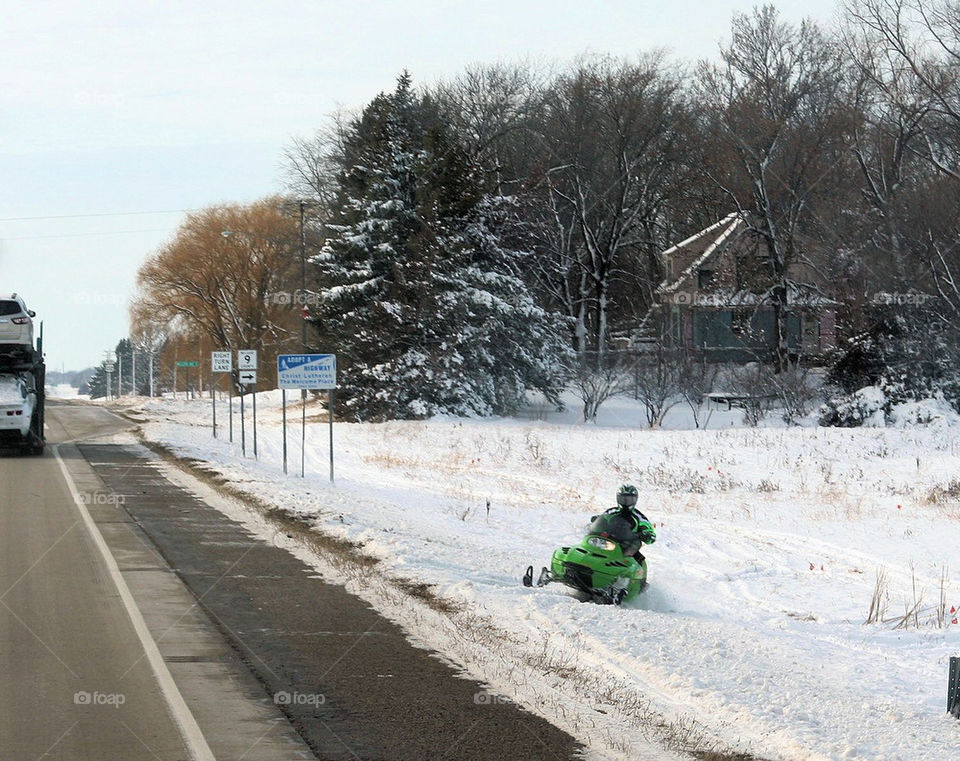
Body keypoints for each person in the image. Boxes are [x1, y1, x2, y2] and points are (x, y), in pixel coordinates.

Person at [614, 484, 656, 563]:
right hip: (608, 543)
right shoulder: (611, 512)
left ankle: (632, 572)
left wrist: (648, 535)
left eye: (629, 499)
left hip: (626, 548)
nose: (626, 502)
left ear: (635, 500)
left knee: (637, 559)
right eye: (623, 499)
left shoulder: (639, 517)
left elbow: (648, 528)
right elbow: (602, 519)